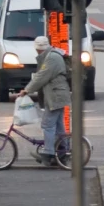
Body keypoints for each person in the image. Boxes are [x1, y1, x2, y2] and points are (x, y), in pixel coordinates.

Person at [14, 36, 72, 167]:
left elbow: (41, 76)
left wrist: (26, 90)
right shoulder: (50, 55)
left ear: (39, 48)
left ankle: (49, 153)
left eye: (38, 49)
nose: (37, 52)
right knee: (58, 125)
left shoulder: (51, 58)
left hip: (56, 95)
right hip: (57, 94)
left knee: (47, 125)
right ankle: (63, 152)